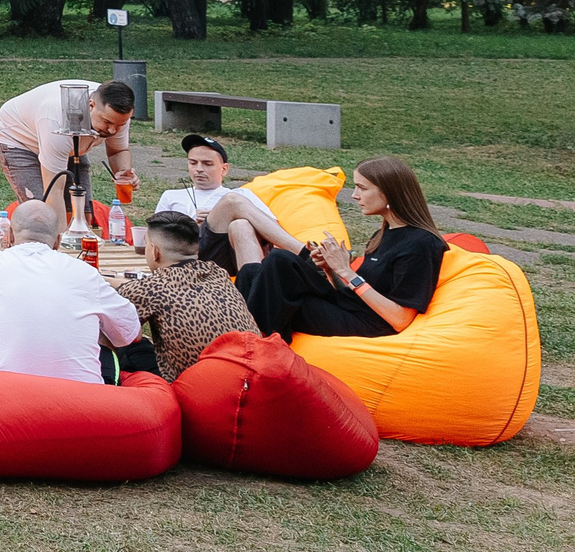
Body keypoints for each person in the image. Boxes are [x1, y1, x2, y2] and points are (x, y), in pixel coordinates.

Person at [238, 157, 448, 340]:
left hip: (368, 323)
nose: (354, 195)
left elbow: (400, 319)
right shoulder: (384, 234)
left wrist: (346, 272)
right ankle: (246, 335)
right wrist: (331, 269)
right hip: (347, 306)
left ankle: (251, 342)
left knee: (280, 261)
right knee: (251, 272)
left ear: (389, 193)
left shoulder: (421, 244)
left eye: (362, 188)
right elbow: (353, 292)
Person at [0, 200, 142, 383]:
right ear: (58, 241)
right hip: (81, 401)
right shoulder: (87, 274)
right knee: (106, 325)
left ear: (9, 235)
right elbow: (132, 333)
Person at [117, 210, 259, 379]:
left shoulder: (148, 289)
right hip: (252, 371)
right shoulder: (218, 273)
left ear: (155, 251)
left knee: (131, 346)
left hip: (200, 384)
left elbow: (116, 326)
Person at [0, 78, 137, 227]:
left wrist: (123, 173)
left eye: (120, 125)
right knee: (40, 215)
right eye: (107, 122)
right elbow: (54, 191)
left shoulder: (117, 114)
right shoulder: (57, 122)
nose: (112, 130)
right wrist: (59, 238)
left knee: (82, 215)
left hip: (68, 145)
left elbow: (117, 151)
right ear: (91, 106)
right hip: (19, 139)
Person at [152, 134, 306, 274]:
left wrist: (224, 217)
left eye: (207, 164)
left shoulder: (242, 195)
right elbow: (155, 235)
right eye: (193, 163)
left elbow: (271, 229)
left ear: (224, 169)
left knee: (240, 224)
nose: (199, 169)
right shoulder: (171, 196)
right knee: (231, 202)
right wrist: (192, 225)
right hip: (188, 254)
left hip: (228, 255)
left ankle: (253, 284)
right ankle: (304, 253)